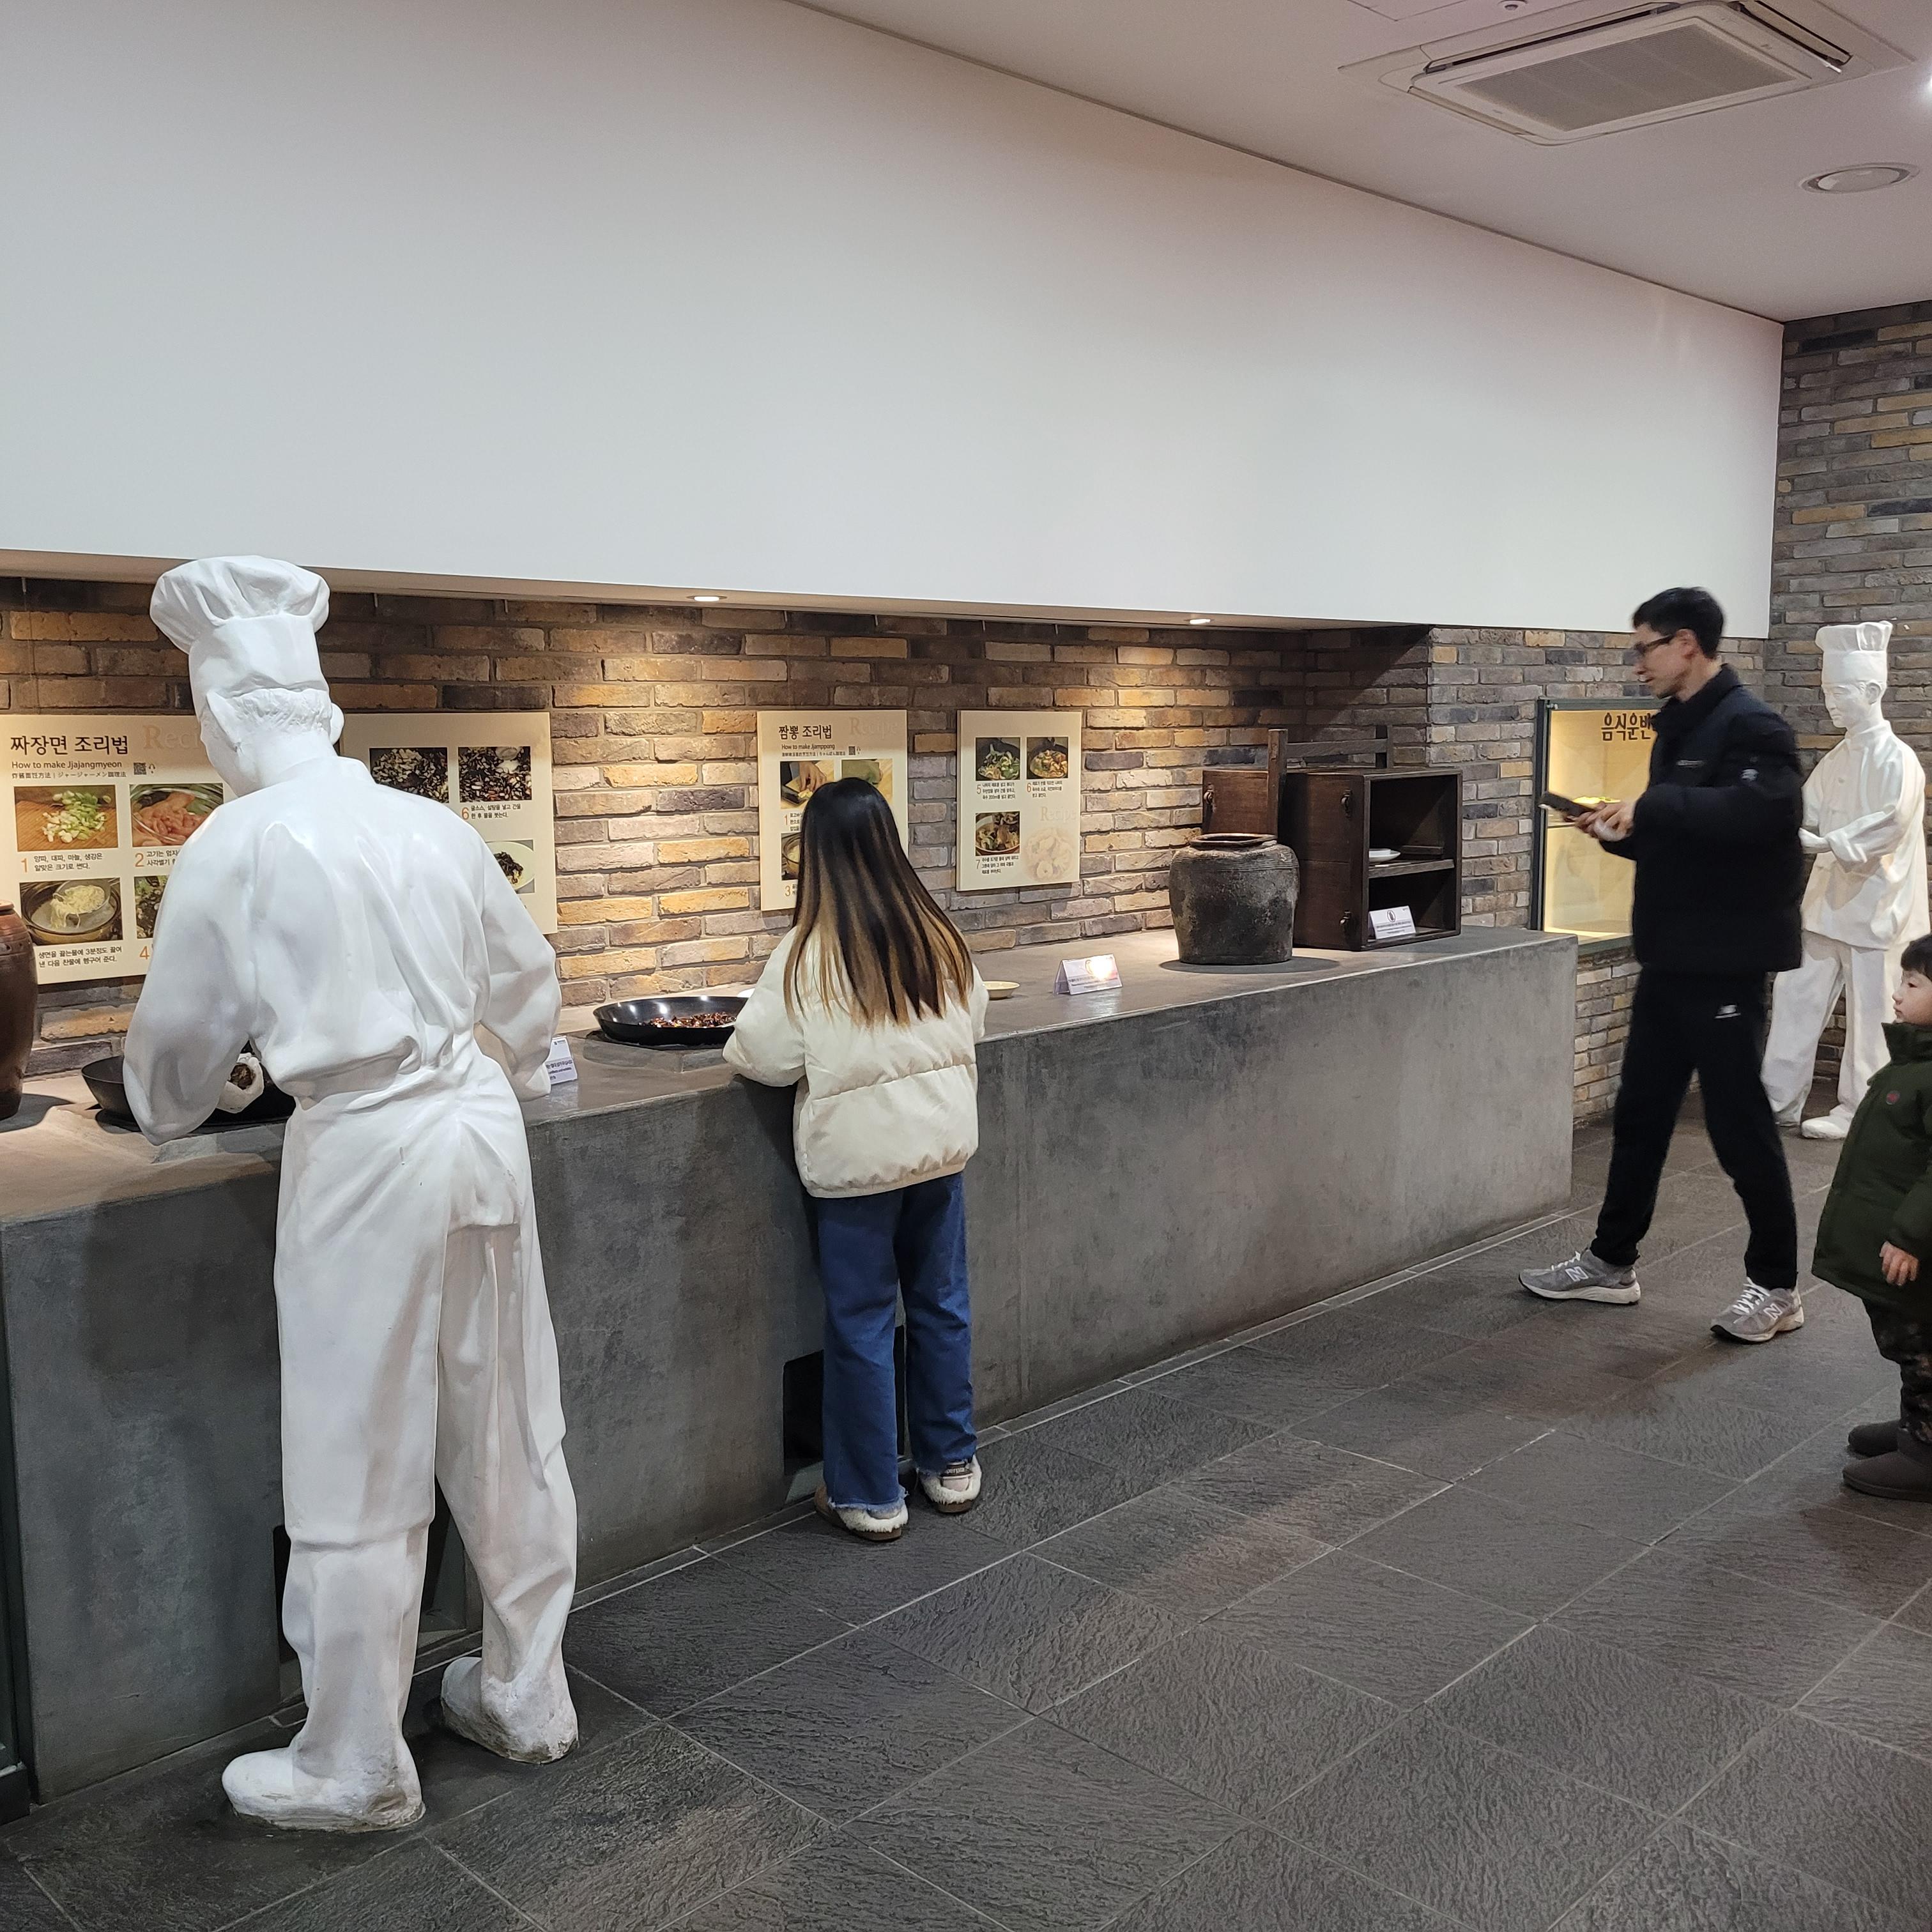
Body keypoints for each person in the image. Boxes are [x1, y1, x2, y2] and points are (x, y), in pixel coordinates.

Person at [123, 557, 578, 1830]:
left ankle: (356, 1761)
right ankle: (528, 1693)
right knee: (511, 1419)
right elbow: (528, 993)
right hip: (479, 1130)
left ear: (223, 713)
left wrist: (238, 1076)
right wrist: (467, 1060)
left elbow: (163, 1084)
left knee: (356, 1446)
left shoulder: (233, 845)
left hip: (367, 1153)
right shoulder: (433, 826)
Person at [1521, 586, 1806, 1342]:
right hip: (1670, 958)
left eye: (1644, 647)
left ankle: (1777, 1287)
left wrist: (1651, 807)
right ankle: (1612, 1262)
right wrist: (1620, 832)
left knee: (1739, 1126)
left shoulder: (1752, 725)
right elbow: (1688, 837)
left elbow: (1764, 815)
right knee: (1641, 1115)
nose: (1636, 663)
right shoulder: (1679, 727)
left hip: (1725, 964)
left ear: (1686, 643)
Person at [725, 776, 988, 1541]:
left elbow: (760, 1056)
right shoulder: (940, 937)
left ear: (816, 857)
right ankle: (951, 1466)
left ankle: (872, 1497)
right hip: (939, 1156)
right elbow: (975, 1019)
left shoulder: (806, 955)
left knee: (864, 1323)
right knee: (942, 1306)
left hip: (856, 1173)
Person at [1761, 622, 1928, 1140]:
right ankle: (1776, 1097)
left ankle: (1862, 1108)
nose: (1830, 702)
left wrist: (1826, 843)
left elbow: (1889, 822)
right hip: (1827, 903)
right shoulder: (1839, 757)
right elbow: (1806, 807)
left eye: (1839, 692)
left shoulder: (1897, 759)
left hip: (1877, 906)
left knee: (1874, 1012)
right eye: (1827, 691)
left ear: (1872, 690)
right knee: (1796, 994)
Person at [1812, 937, 1932, 1501]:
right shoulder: (1913, 1062)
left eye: (1913, 984)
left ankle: (1925, 1453)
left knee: (1922, 1343)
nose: (1898, 993)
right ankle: (1914, 1428)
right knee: (1905, 1338)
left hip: (1916, 1249)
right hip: (1894, 1235)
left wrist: (1910, 1237)